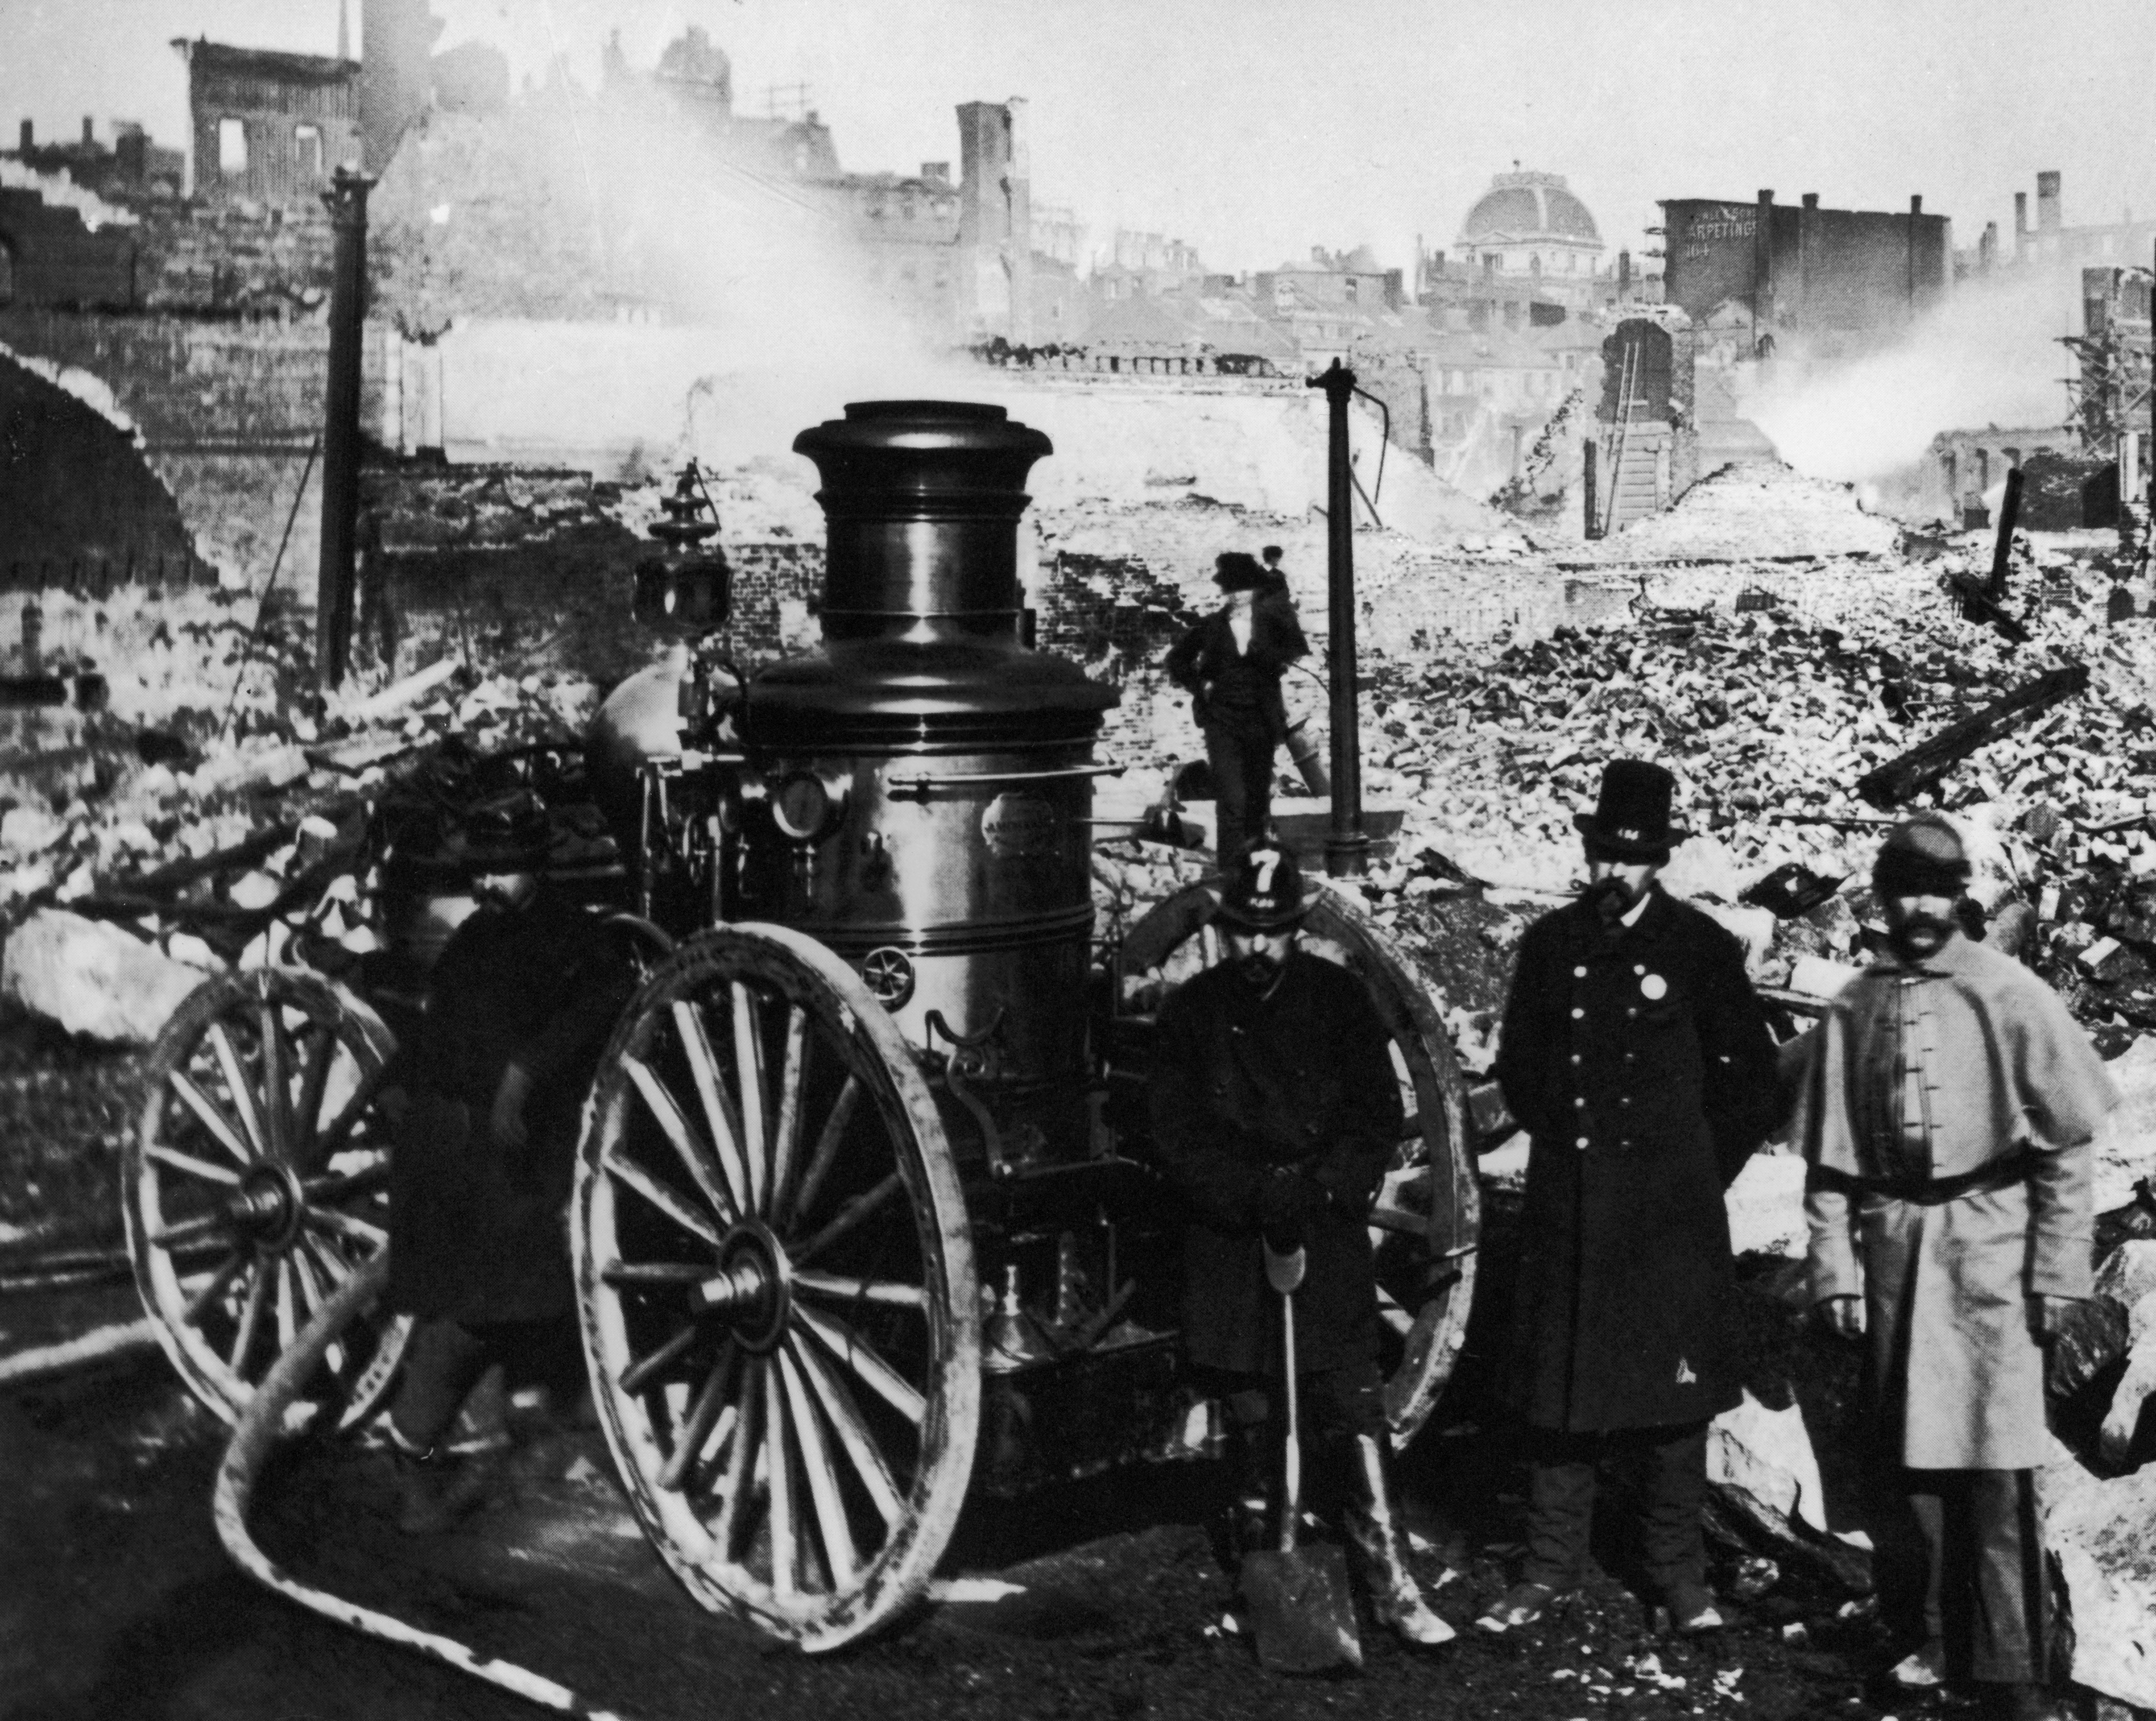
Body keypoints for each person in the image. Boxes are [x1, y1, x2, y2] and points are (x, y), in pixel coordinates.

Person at [1803, 814, 2115, 1721]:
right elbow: (1830, 1166)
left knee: (1996, 1466)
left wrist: (2059, 1273)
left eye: (1938, 891)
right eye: (1905, 891)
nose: (1922, 908)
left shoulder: (2012, 994)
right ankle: (1937, 1638)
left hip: (1992, 1250)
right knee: (1914, 1462)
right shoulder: (1857, 1002)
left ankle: (2014, 1664)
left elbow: (2067, 1150)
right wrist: (1835, 1269)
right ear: (1882, 897)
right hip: (1899, 1254)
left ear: (1962, 896)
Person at [1484, 758, 1780, 1635]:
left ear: (1662, 858)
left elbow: (1753, 1080)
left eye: (1634, 857)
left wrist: (1696, 1172)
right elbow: (1521, 1067)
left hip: (1668, 1218)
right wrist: (1572, 1160)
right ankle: (1548, 1568)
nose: (1616, 873)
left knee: (1674, 1401)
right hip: (1573, 1208)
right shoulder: (1552, 944)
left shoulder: (1700, 949)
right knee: (1560, 1396)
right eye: (1605, 855)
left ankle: (1678, 1577)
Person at [1147, 841, 1454, 1648]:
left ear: (1297, 930)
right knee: (1252, 1415)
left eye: (1273, 932)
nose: (1257, 948)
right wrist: (1251, 1194)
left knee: (1352, 1406)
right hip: (1232, 1241)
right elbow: (1175, 1137)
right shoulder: (1193, 1014)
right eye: (1244, 933)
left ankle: (1392, 1587)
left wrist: (1322, 1189)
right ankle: (1264, 1587)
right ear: (1225, 931)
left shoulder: (1340, 1002)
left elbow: (1375, 1117)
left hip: (1322, 1235)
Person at [383, 789, 636, 1533]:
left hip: (526, 1153)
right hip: (458, 1156)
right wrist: (409, 1095)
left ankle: (571, 1435)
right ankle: (416, 1470)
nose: (487, 885)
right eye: (480, 873)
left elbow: (611, 998)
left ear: (536, 865)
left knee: (528, 1293)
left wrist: (528, 1070)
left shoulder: (574, 938)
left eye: (503, 871)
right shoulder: (473, 942)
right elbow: (436, 1040)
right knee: (466, 1316)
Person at [1164, 551, 1309, 865]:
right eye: (1231, 589)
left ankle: (1255, 867)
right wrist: (1198, 684)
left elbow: (1297, 648)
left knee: (1258, 799)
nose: (1237, 595)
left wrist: (1270, 656)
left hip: (1261, 719)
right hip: (1223, 721)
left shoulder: (1273, 622)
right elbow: (1176, 660)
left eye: (1243, 588)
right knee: (1232, 800)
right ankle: (1230, 871)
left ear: (1255, 589)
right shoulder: (1211, 626)